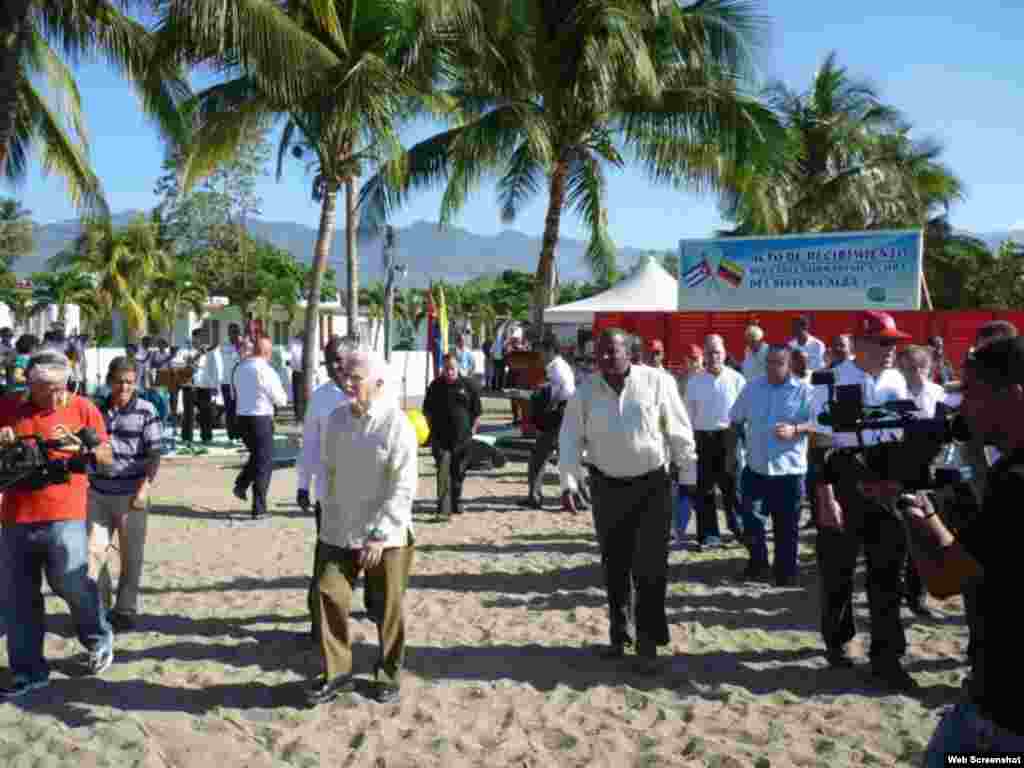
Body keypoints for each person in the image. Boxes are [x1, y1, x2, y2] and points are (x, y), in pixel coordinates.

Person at [895, 337, 1024, 762]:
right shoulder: (1008, 475)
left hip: (1003, 718)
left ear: (1013, 395)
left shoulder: (1015, 483)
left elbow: (944, 579)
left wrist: (909, 515)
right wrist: (932, 517)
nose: (962, 406)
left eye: (972, 392)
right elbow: (980, 556)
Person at [558, 328, 697, 671]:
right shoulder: (586, 391)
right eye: (600, 353)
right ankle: (621, 636)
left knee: (650, 567)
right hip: (606, 487)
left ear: (630, 353)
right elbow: (571, 437)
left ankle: (648, 643)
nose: (604, 358)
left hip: (653, 486)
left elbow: (679, 431)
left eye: (611, 352)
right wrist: (568, 482)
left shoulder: (657, 382)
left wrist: (689, 478)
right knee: (615, 564)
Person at [0, 351, 115, 699]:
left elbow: (108, 460)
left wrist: (89, 449)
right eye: (46, 388)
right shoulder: (7, 407)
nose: (55, 395)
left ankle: (97, 636)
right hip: (16, 516)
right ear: (29, 384)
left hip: (64, 511)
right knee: (18, 598)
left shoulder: (83, 408)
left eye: (60, 387)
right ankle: (29, 671)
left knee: (72, 580)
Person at [812, 310, 916, 691]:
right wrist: (825, 496)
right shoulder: (831, 379)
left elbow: (904, 433)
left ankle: (887, 657)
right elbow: (820, 442)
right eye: (882, 342)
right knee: (838, 572)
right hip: (841, 479)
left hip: (885, 479)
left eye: (893, 342)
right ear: (859, 344)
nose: (890, 349)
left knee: (888, 574)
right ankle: (839, 645)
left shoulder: (895, 380)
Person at [310, 347, 417, 706]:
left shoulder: (395, 424)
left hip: (385, 534)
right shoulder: (337, 419)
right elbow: (327, 469)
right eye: (346, 376)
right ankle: (337, 672)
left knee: (387, 605)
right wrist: (325, 512)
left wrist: (381, 535)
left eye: (356, 378)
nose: (348, 383)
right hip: (340, 527)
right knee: (327, 594)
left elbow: (403, 487)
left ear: (378, 382)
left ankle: (388, 673)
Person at [87, 357, 163, 631]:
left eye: (130, 382)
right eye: (119, 381)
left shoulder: (146, 410)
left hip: (132, 495)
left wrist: (145, 487)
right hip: (97, 493)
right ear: (109, 381)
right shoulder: (95, 410)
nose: (124, 387)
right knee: (94, 554)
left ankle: (126, 609)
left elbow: (155, 453)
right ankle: (100, 607)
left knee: (132, 556)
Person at [730, 345, 813, 586]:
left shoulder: (804, 391)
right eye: (769, 362)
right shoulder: (752, 388)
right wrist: (732, 454)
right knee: (751, 522)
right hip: (756, 468)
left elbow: (817, 423)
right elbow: (735, 419)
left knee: (787, 527)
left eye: (778, 363)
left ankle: (785, 572)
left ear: (789, 365)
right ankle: (758, 565)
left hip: (789, 472)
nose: (772, 367)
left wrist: (795, 429)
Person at [297, 335, 356, 643]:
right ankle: (318, 624)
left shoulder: (370, 390)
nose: (334, 366)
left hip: (365, 497)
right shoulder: (320, 397)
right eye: (329, 359)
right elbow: (309, 442)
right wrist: (302, 485)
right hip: (329, 497)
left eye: (339, 359)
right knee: (326, 562)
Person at [685, 334, 746, 549]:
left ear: (725, 353)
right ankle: (709, 536)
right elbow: (688, 415)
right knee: (705, 489)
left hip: (729, 436)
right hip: (703, 437)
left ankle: (740, 529)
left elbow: (745, 413)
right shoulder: (694, 381)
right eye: (709, 352)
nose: (714, 357)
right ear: (704, 355)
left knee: (734, 486)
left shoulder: (737, 379)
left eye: (717, 352)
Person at [231, 336, 288, 520]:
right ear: (267, 352)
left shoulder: (239, 368)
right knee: (264, 463)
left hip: (242, 418)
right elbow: (280, 399)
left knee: (258, 456)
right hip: (260, 418)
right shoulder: (265, 370)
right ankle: (259, 507)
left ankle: (241, 483)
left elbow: (234, 393)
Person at [423, 353, 482, 518]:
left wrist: (473, 431)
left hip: (462, 440)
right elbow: (427, 411)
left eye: (452, 369)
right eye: (446, 368)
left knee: (458, 473)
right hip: (441, 439)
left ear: (458, 368)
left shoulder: (469, 385)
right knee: (443, 471)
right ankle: (443, 508)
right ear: (443, 368)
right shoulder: (435, 386)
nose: (449, 372)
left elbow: (476, 413)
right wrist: (432, 431)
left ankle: (456, 501)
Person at [524, 337, 575, 509]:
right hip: (564, 412)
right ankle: (579, 498)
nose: (540, 355)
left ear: (551, 350)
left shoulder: (556, 367)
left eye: (543, 351)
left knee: (539, 456)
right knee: (567, 458)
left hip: (559, 413)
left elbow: (563, 390)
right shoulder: (561, 365)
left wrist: (547, 404)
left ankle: (535, 497)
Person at [177, 328, 215, 445]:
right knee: (188, 414)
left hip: (204, 385)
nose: (200, 340)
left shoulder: (209, 352)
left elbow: (213, 369)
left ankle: (206, 437)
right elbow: (182, 364)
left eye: (202, 337)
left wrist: (214, 385)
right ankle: (187, 438)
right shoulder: (185, 350)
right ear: (193, 338)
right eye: (197, 337)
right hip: (189, 385)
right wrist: (198, 354)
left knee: (206, 413)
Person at [206, 323, 242, 439]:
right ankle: (232, 436)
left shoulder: (244, 346)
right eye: (231, 332)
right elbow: (210, 353)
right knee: (230, 411)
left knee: (240, 410)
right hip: (226, 383)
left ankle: (240, 435)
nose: (233, 334)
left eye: (236, 332)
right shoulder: (224, 346)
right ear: (228, 333)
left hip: (241, 383)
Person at [289, 332, 307, 424]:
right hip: (297, 371)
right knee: (297, 395)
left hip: (306, 372)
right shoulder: (294, 343)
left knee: (303, 395)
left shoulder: (308, 345)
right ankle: (298, 417)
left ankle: (302, 416)